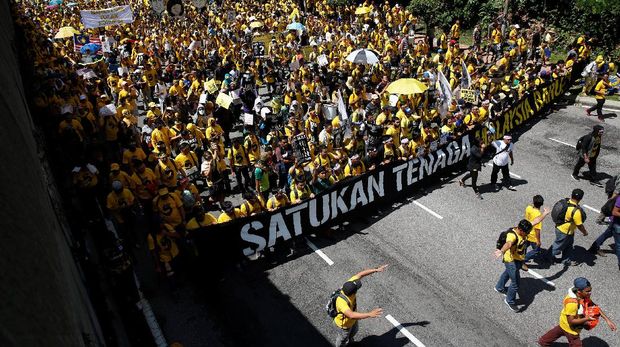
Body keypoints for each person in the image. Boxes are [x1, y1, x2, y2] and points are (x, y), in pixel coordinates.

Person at [538, 277, 616, 346]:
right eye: (587, 291)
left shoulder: (584, 295)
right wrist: (587, 319)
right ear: (579, 292)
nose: (590, 293)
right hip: (571, 329)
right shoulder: (572, 304)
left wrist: (607, 320)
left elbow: (593, 306)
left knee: (557, 331)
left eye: (590, 290)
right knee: (576, 344)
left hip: (563, 322)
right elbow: (571, 321)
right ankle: (544, 342)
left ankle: (543, 342)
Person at [333, 265, 388, 346]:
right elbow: (351, 315)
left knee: (354, 331)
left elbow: (361, 274)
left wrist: (376, 269)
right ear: (353, 293)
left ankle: (350, 341)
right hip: (344, 326)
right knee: (342, 339)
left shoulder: (348, 285)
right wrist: (369, 314)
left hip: (353, 321)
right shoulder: (341, 302)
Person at [494, 219, 533, 312]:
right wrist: (501, 251)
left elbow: (535, 221)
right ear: (521, 230)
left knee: (507, 273)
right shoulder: (512, 235)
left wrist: (544, 214)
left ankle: (499, 287)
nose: (528, 234)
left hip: (517, 258)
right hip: (510, 260)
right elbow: (508, 244)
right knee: (516, 283)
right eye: (527, 232)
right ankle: (509, 300)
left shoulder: (522, 230)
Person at [547, 189, 589, 266]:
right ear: (581, 198)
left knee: (568, 246)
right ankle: (547, 257)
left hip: (561, 228)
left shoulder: (566, 202)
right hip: (565, 232)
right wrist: (585, 232)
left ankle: (566, 260)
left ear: (571, 195)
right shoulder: (576, 211)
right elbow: (579, 225)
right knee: (558, 246)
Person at [588, 194, 620, 270]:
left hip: (614, 223)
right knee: (619, 246)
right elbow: (615, 212)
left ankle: (594, 248)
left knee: (607, 234)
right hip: (617, 223)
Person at [523, 195, 551, 266]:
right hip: (533, 236)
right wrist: (538, 240)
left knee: (525, 246)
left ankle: (522, 257)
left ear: (533, 202)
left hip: (526, 232)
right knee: (536, 250)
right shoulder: (538, 214)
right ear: (541, 204)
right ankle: (523, 259)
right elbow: (537, 229)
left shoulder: (528, 208)